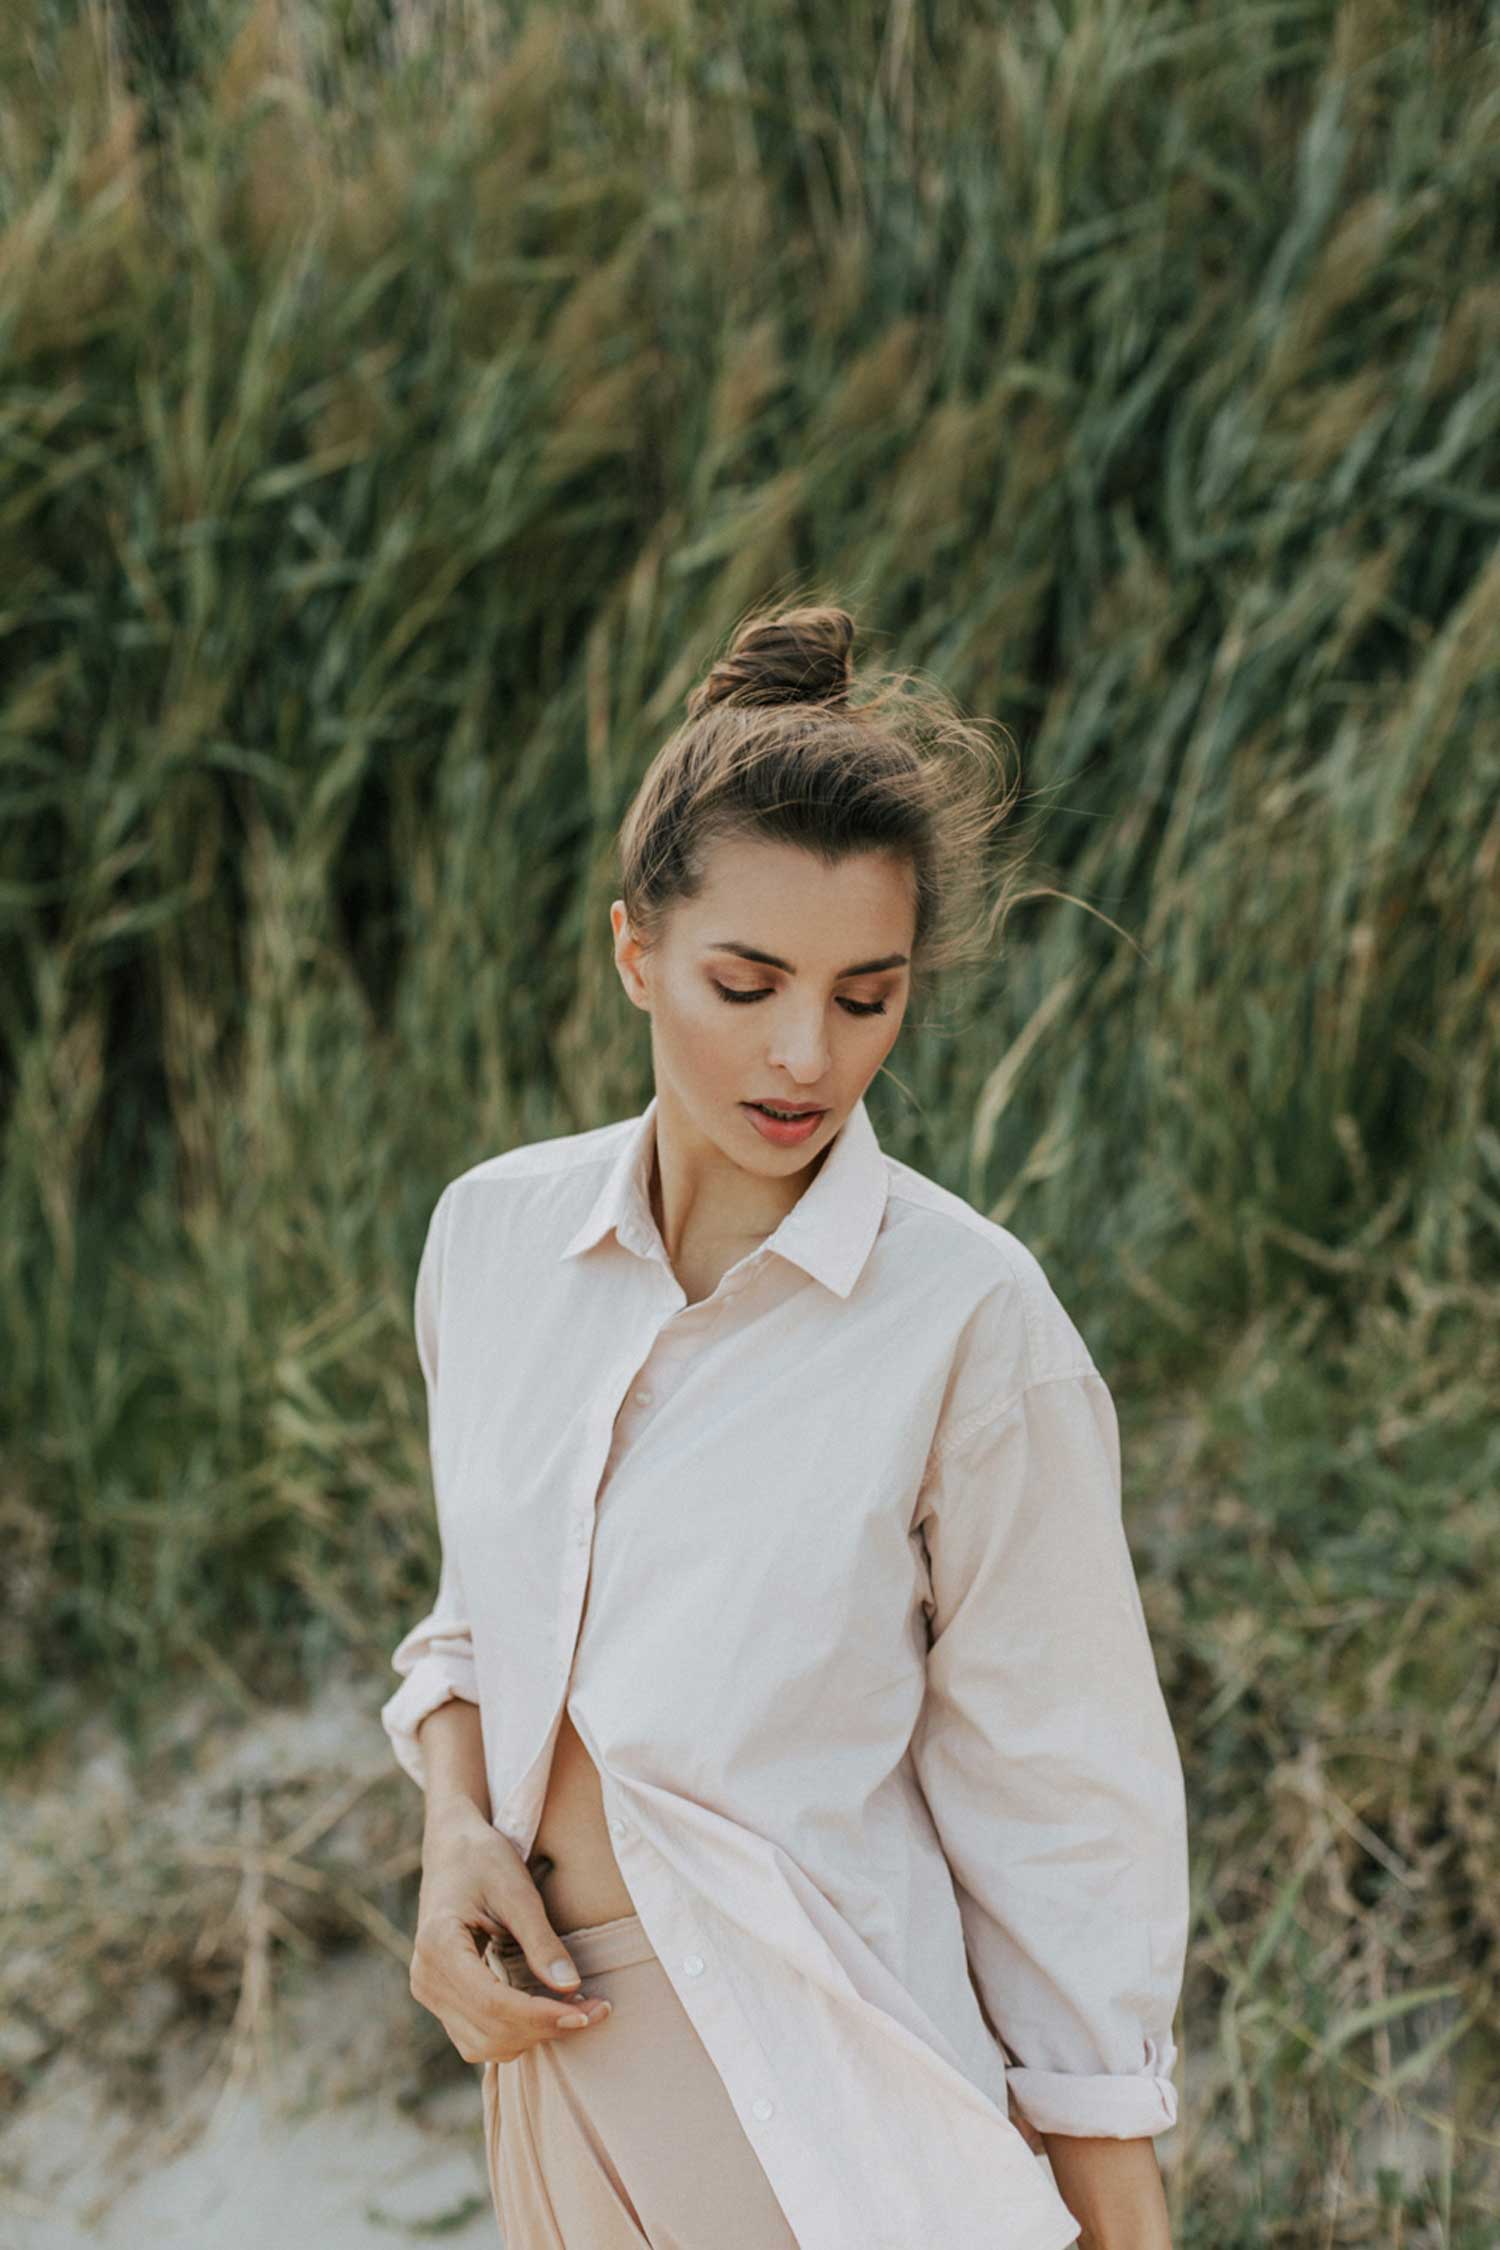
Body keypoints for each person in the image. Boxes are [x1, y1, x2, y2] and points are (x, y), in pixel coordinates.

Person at [380, 602, 1190, 2250]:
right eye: (745, 984)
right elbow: (479, 1623)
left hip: (823, 2089)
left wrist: (1119, 2211)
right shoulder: (492, 1239)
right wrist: (454, 1831)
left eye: (867, 996)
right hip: (548, 2072)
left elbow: (1064, 1795)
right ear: (634, 951)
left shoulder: (970, 1317)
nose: (807, 1054)